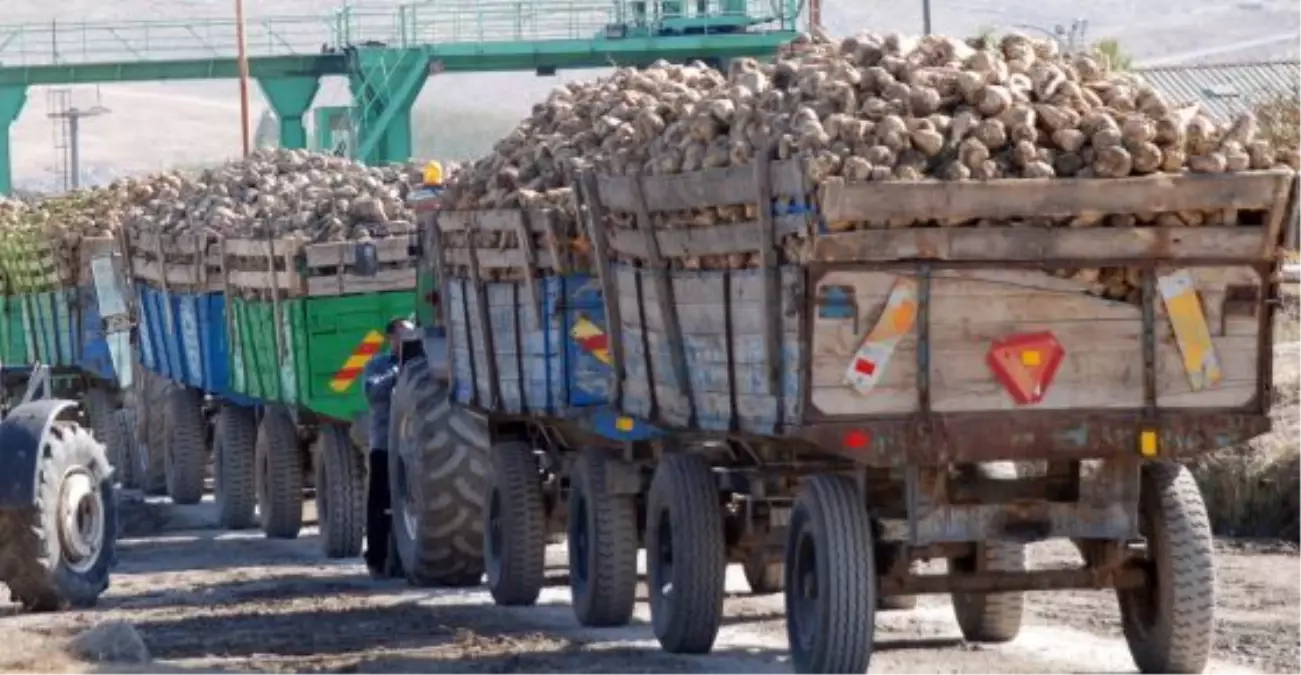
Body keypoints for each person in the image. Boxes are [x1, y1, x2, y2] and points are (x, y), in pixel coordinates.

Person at [362, 317, 415, 578]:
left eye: (410, 334)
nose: (407, 339)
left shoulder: (419, 364)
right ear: (391, 339)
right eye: (402, 335)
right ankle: (376, 559)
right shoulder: (378, 365)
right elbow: (373, 392)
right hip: (384, 445)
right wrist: (400, 373)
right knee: (379, 505)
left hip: (411, 450)